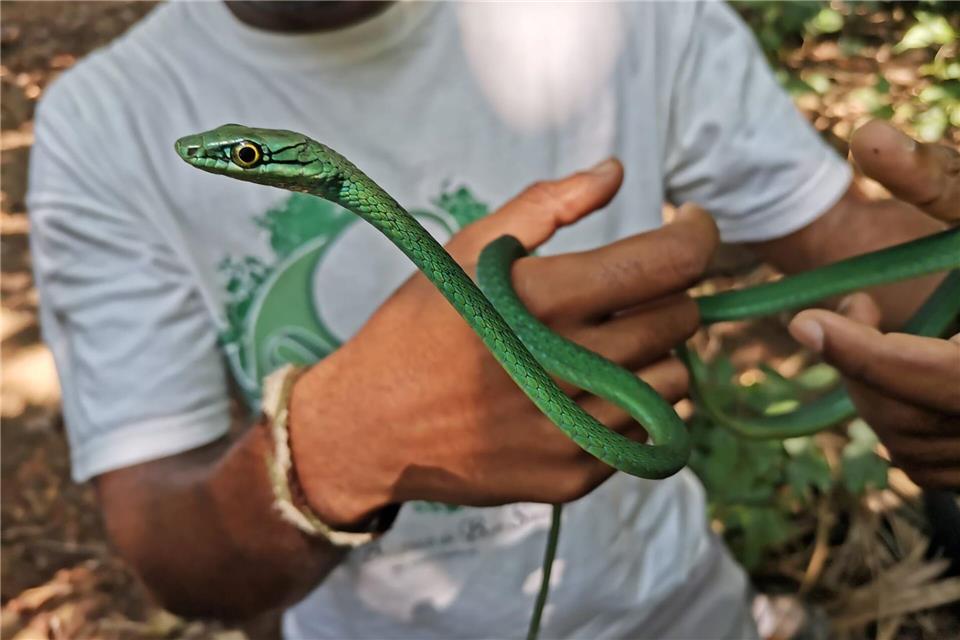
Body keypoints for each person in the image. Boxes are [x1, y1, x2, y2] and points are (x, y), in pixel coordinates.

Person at [26, 2, 958, 638]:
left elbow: (843, 234)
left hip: (686, 609)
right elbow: (175, 557)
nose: (229, 163)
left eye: (240, 157)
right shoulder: (106, 123)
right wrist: (331, 450)